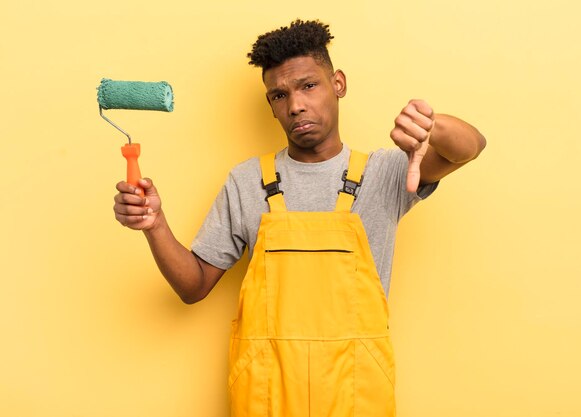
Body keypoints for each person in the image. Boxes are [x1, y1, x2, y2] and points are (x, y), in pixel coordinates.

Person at [113, 19, 485, 417]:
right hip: (267, 392)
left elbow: (469, 147)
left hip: (356, 389)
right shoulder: (247, 181)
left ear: (337, 84)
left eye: (309, 85)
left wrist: (433, 126)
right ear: (270, 105)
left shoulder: (386, 173)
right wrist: (155, 225)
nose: (295, 105)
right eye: (279, 95)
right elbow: (194, 286)